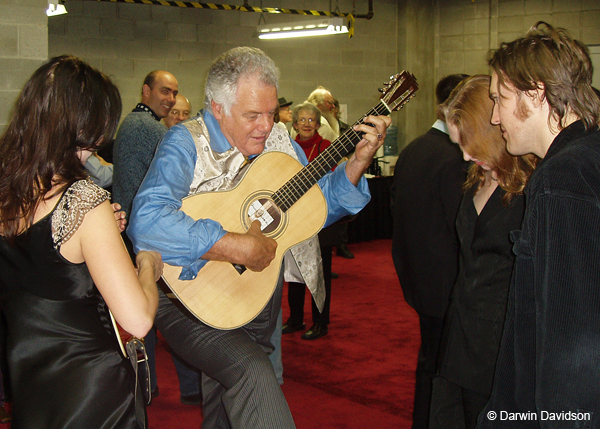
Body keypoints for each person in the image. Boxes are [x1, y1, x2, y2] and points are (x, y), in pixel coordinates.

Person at [127, 46, 390, 428]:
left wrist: (357, 164)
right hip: (187, 297)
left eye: (270, 112)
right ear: (218, 107)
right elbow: (147, 221)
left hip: (255, 295)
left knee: (224, 393)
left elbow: (314, 207)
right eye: (253, 115)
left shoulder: (279, 143)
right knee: (251, 372)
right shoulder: (186, 143)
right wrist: (233, 244)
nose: (266, 126)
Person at [0, 55, 162, 429]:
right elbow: (136, 320)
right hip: (92, 388)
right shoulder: (84, 200)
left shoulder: (9, 192)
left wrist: (101, 237)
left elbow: (40, 266)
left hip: (29, 381)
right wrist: (148, 266)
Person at [477, 22, 600, 427]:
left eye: (500, 99)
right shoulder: (588, 156)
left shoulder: (563, 178)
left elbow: (573, 343)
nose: (495, 118)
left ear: (536, 92)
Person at [428, 75, 537, 429]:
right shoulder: (475, 178)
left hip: (500, 350)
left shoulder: (531, 188)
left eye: (470, 144)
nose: (465, 155)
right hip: (459, 341)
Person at [391, 73, 468, 429]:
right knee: (442, 367)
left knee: (429, 361)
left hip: (417, 276)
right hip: (447, 282)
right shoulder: (455, 157)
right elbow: (460, 229)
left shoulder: (414, 149)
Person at [112, 69, 178, 399]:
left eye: (174, 93)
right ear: (145, 91)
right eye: (164, 92)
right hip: (147, 236)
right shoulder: (148, 128)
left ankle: (147, 384)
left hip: (134, 230)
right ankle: (148, 385)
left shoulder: (135, 124)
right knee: (163, 311)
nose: (170, 99)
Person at [282, 102, 332, 341]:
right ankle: (295, 318)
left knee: (318, 272)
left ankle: (321, 322)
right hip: (293, 219)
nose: (306, 124)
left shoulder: (326, 147)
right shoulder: (288, 148)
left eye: (311, 120)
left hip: (319, 219)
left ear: (318, 124)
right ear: (295, 123)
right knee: (295, 270)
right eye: (302, 119)